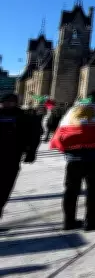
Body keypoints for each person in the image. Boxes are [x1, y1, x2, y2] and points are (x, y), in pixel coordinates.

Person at [55, 91, 95, 231]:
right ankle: (90, 221)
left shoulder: (75, 109)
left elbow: (61, 130)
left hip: (74, 157)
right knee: (93, 189)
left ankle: (68, 221)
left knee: (71, 190)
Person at [0, 94, 37, 222]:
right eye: (4, 101)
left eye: (10, 102)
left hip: (11, 158)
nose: (6, 104)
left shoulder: (24, 117)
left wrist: (31, 152)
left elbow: (33, 135)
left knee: (4, 189)